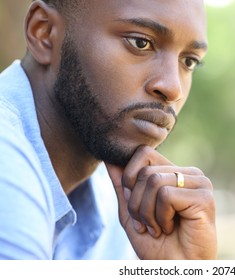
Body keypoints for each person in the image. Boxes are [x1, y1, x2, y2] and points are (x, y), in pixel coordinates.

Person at [0, 0, 217, 260]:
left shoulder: (120, 203)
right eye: (140, 42)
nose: (173, 88)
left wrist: (179, 268)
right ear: (44, 33)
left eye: (189, 62)